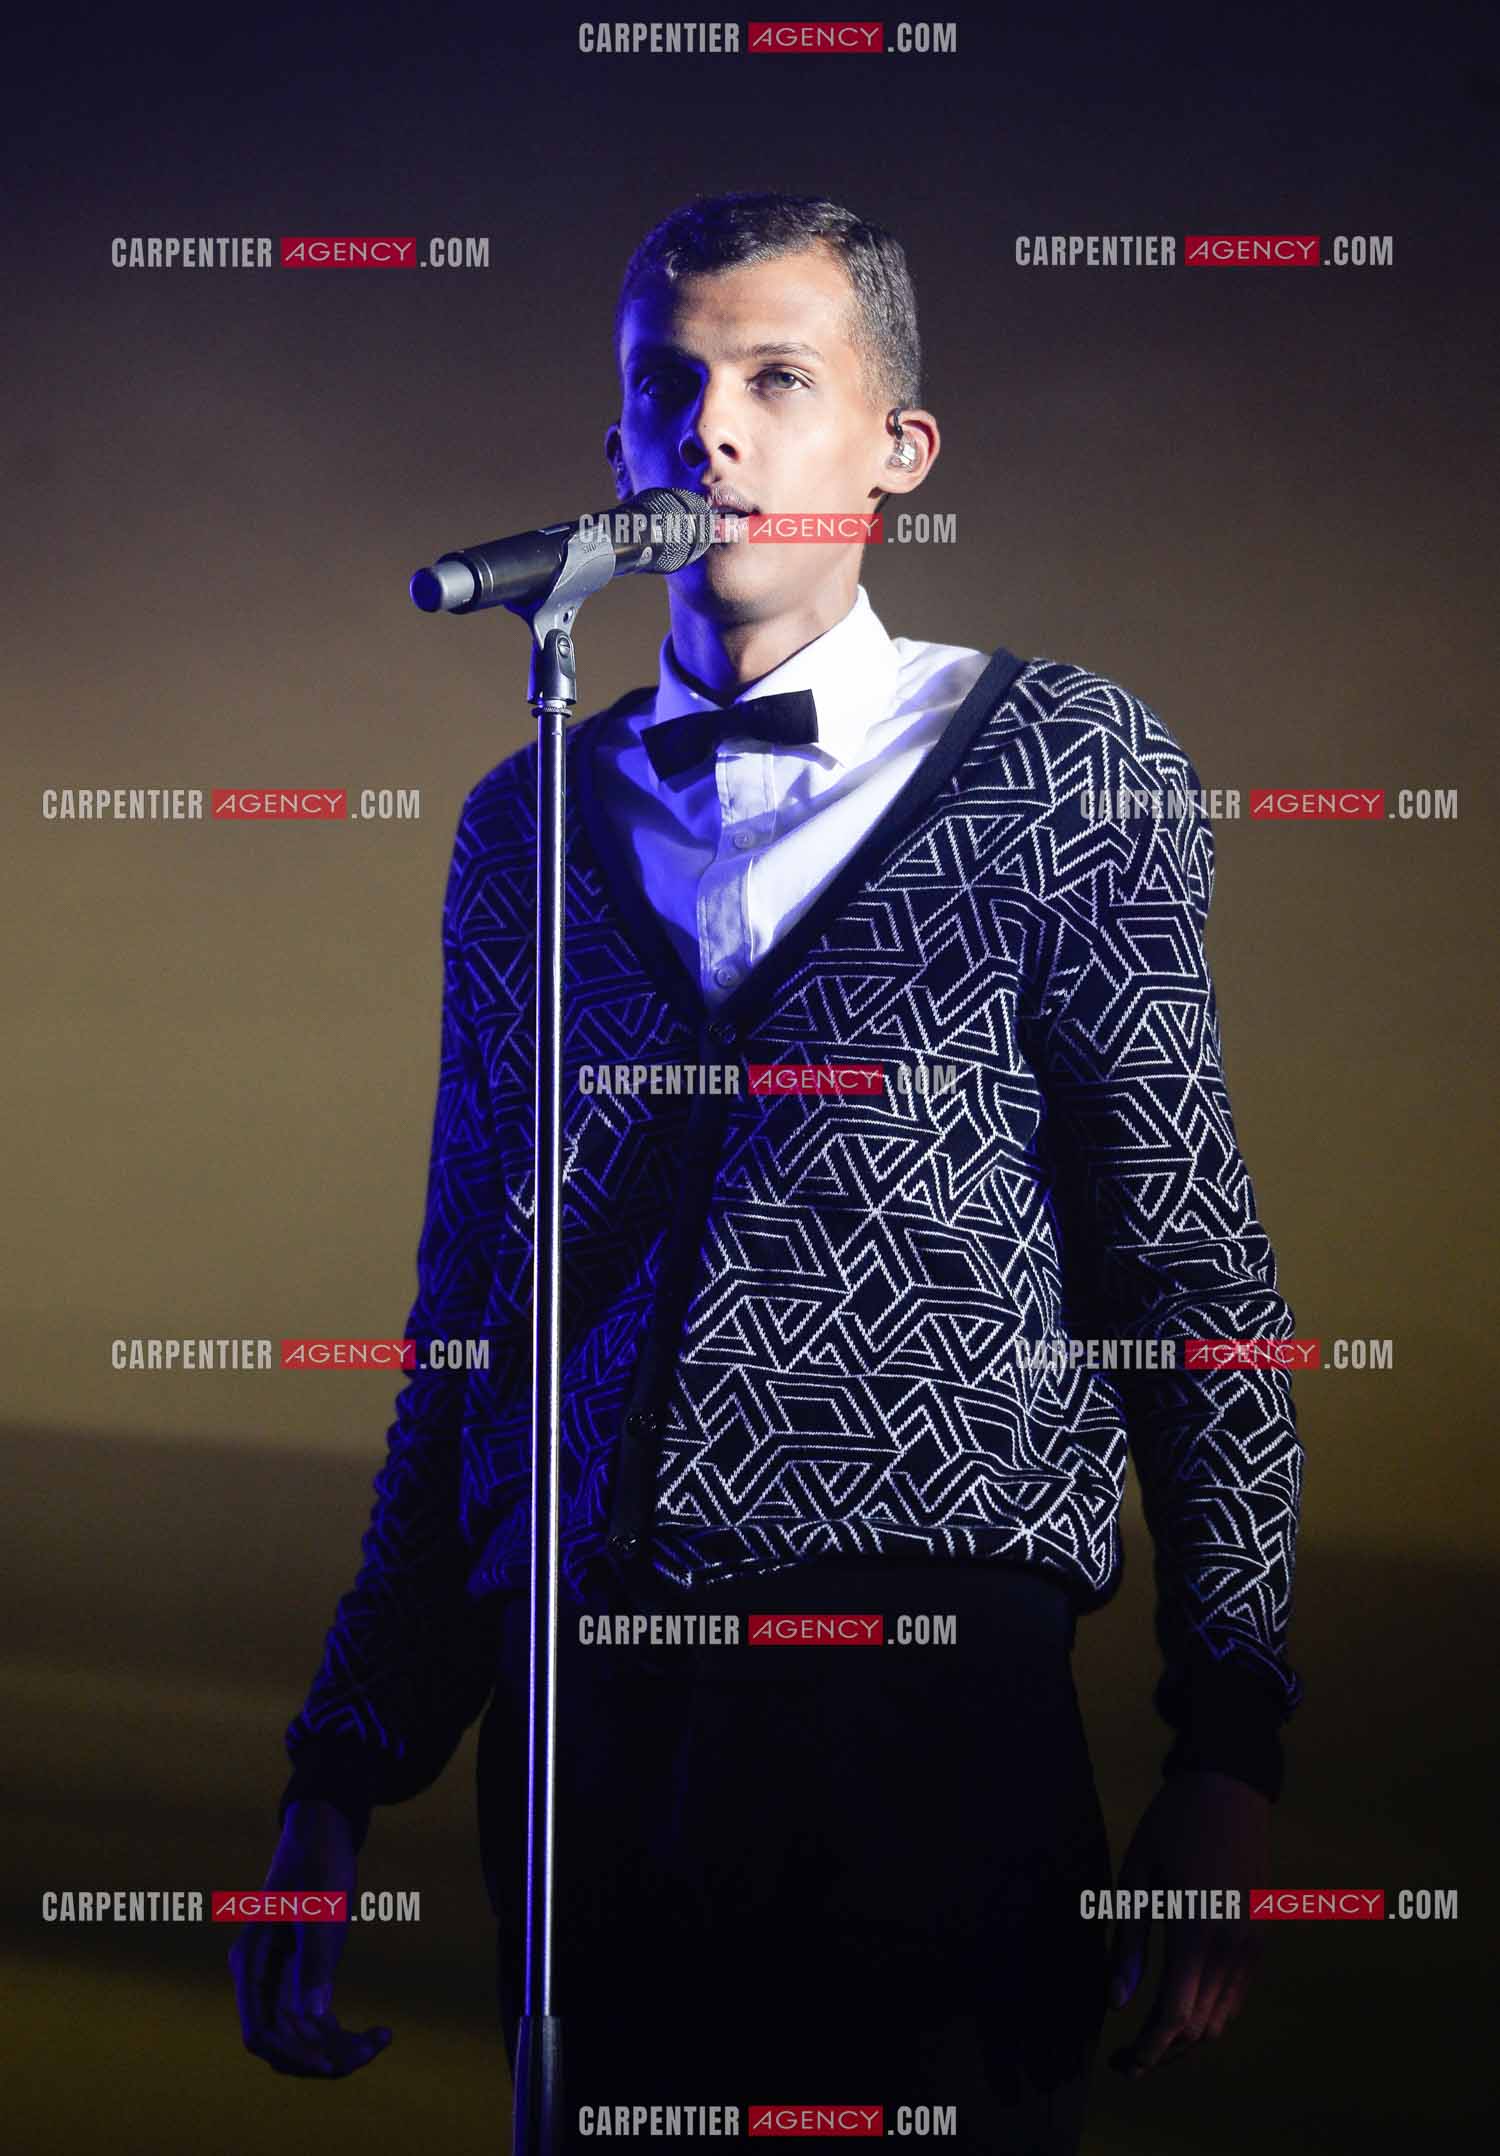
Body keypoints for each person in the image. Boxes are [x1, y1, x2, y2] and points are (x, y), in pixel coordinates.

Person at [230, 193, 1304, 2153]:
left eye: (777, 379)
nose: (709, 430)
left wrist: (1230, 1740)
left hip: (931, 1710)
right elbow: (471, 1300)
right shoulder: (524, 827)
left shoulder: (1070, 763)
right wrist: (348, 1755)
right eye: (668, 384)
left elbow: (1194, 1274)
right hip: (593, 1724)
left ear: (896, 453)